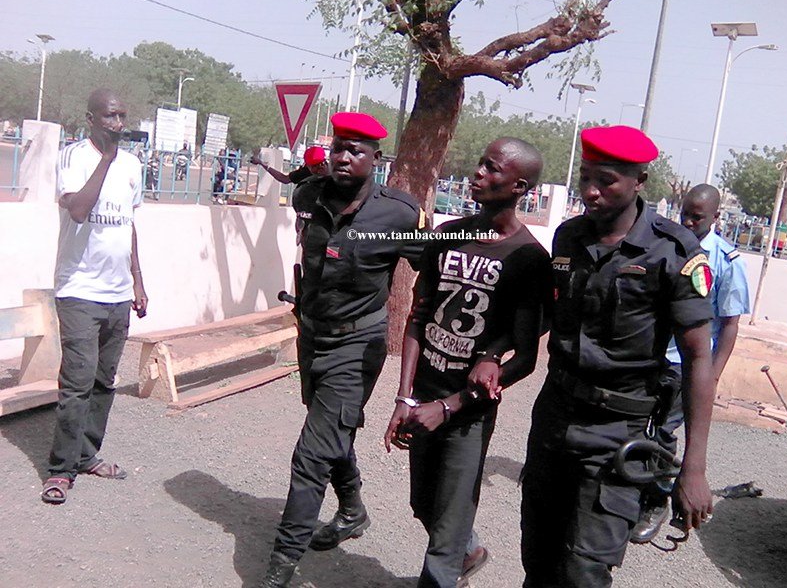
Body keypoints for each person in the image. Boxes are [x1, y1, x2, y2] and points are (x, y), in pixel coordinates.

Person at [520, 125, 715, 587]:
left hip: (618, 431)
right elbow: (550, 315)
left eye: (605, 180)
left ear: (638, 181)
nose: (591, 190)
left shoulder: (673, 251)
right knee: (539, 560)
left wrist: (694, 468)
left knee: (585, 572)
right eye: (585, 177)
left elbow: (698, 359)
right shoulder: (568, 237)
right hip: (554, 418)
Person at [259, 112, 427, 588]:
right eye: (338, 148)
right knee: (332, 430)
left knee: (312, 454)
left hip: (358, 343)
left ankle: (280, 565)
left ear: (376, 158)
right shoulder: (308, 195)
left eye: (357, 151)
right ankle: (352, 510)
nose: (344, 158)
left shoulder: (399, 213)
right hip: (312, 336)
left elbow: (431, 271)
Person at [384, 138, 552, 588]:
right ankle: (471, 551)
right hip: (423, 394)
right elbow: (418, 318)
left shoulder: (529, 258)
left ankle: (450, 560)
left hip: (468, 413)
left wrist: (452, 404)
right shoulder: (447, 234)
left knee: (447, 531)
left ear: (519, 187)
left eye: (492, 168)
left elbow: (525, 359)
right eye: (480, 163)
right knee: (424, 505)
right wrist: (405, 397)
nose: (478, 173)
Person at [41, 88, 148, 505]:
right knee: (78, 382)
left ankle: (87, 455)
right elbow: (79, 210)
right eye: (110, 117)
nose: (118, 124)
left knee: (104, 381)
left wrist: (138, 280)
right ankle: (60, 469)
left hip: (117, 293)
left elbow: (128, 224)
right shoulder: (74, 157)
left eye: (122, 116)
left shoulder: (133, 165)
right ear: (91, 119)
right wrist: (106, 158)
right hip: (79, 290)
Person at [631, 183, 750, 543]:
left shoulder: (725, 261)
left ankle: (655, 501)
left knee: (663, 433)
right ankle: (628, 490)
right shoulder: (667, 247)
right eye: (684, 213)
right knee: (635, 424)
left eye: (696, 217)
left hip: (685, 366)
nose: (687, 221)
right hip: (650, 357)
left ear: (715, 217)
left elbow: (729, 324)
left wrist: (712, 375)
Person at [251, 145, 328, 186]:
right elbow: (284, 179)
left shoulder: (333, 172)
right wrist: (262, 163)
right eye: (313, 166)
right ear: (307, 165)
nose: (318, 169)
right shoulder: (305, 172)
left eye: (320, 164)